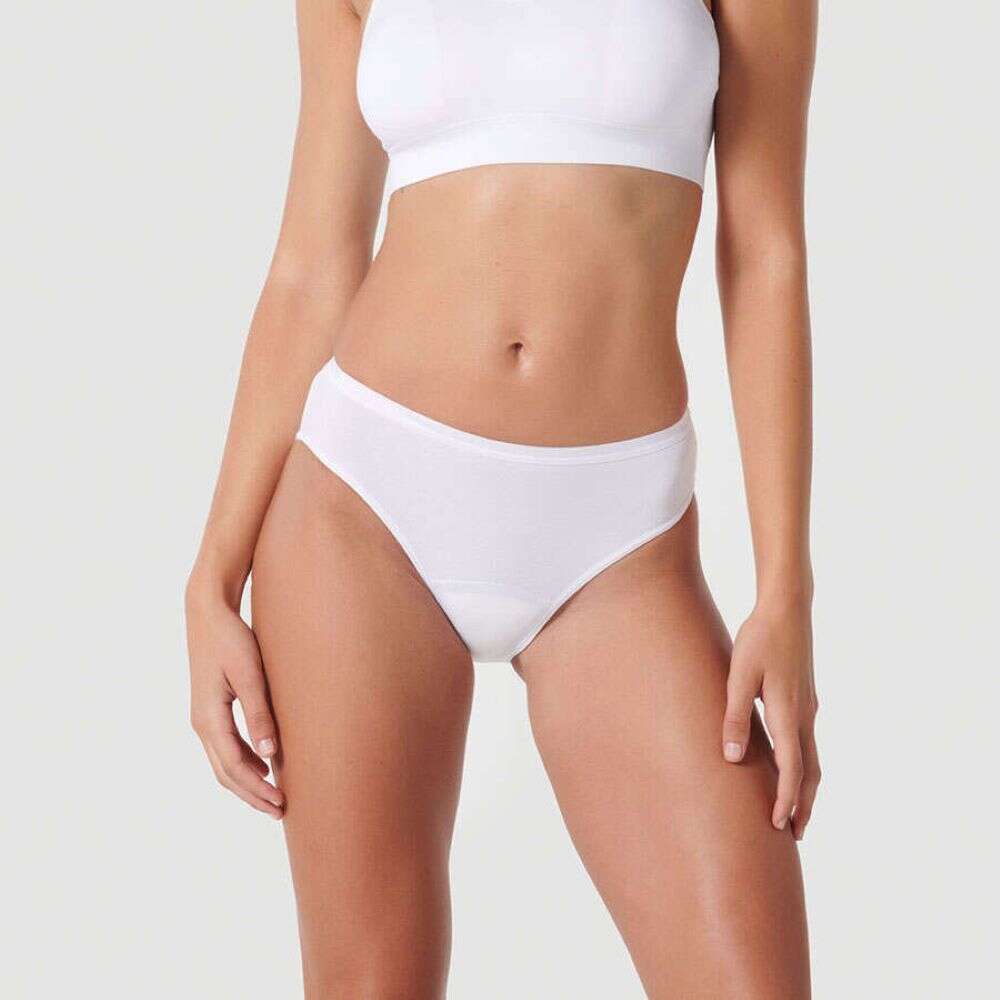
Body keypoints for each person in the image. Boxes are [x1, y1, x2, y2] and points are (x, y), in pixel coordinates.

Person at [185, 1, 820, 996]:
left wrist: (785, 589)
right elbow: (313, 263)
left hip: (621, 539)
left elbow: (767, 249)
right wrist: (212, 578)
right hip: (365, 499)